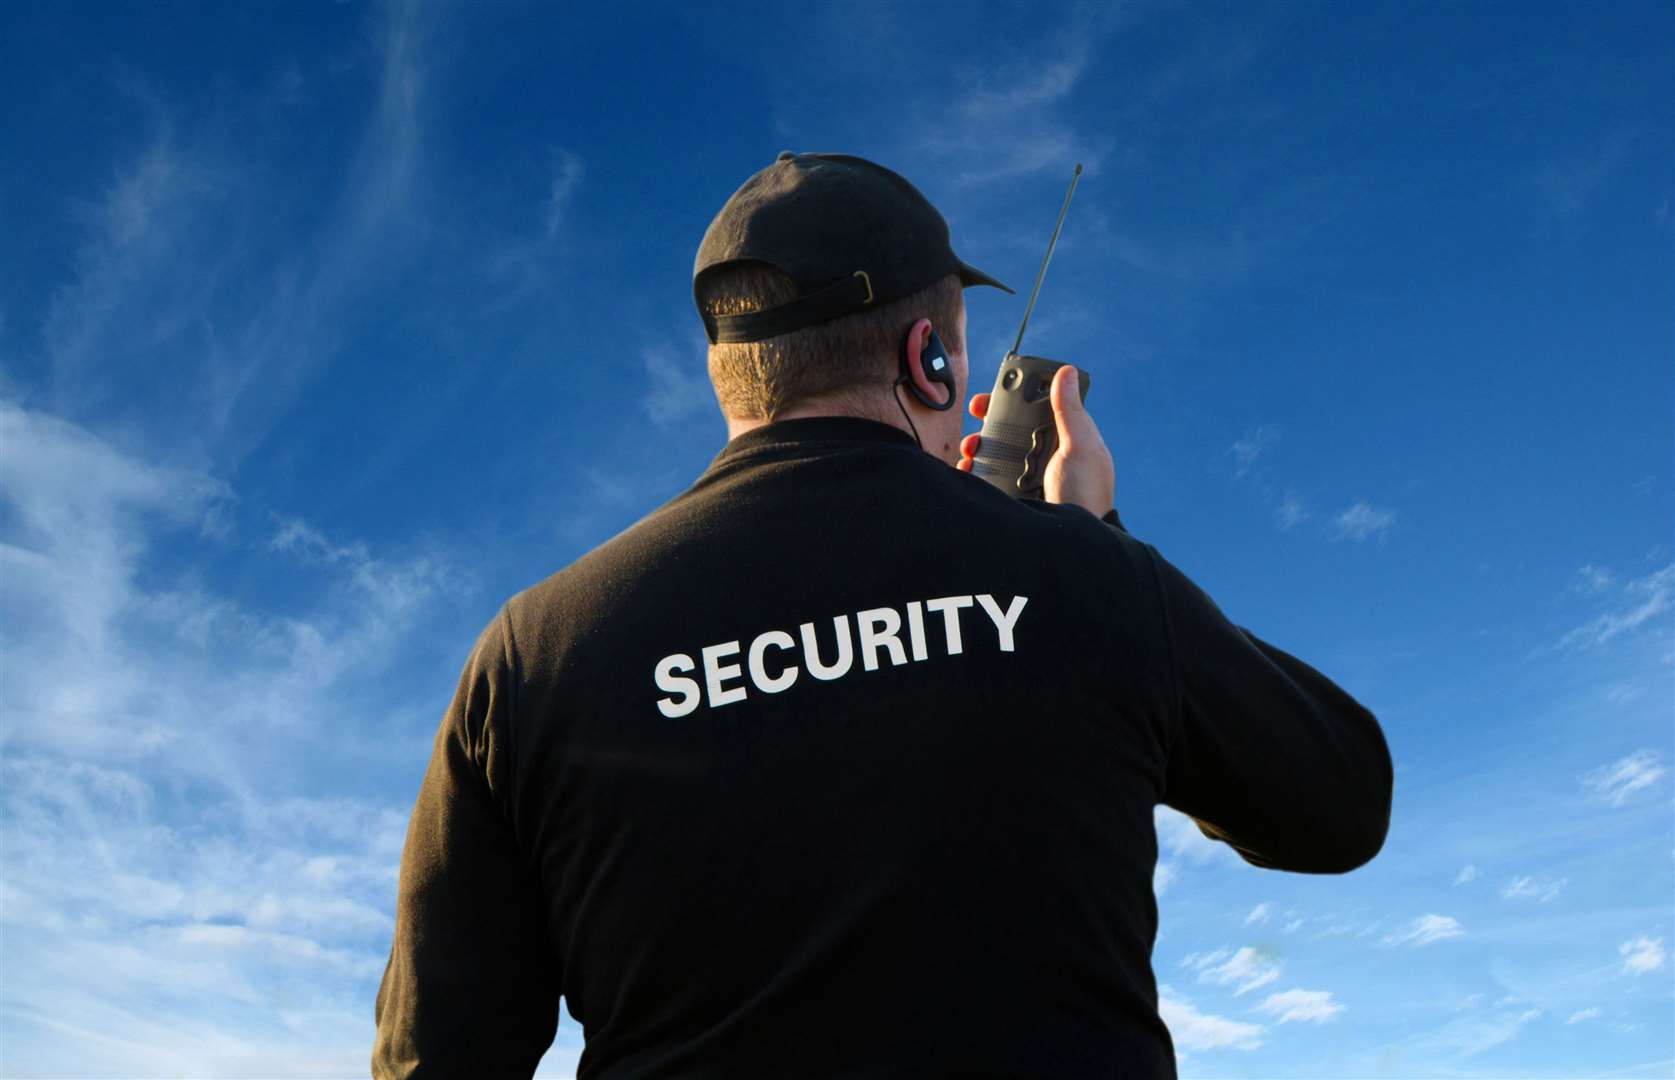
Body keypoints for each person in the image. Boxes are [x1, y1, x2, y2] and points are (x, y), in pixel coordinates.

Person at [372, 152, 1394, 1079]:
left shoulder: (533, 651)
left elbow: (434, 1063)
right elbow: (1341, 803)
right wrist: (1092, 535)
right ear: (930, 360)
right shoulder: (1088, 576)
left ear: (731, 370)